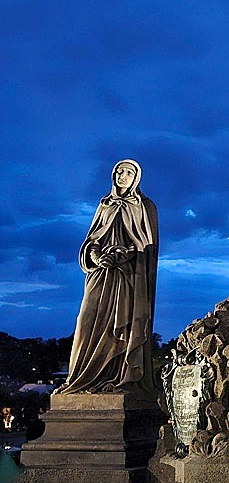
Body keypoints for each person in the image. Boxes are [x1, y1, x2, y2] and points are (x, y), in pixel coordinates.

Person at [58, 160, 159, 396]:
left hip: (128, 278)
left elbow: (148, 248)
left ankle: (118, 377)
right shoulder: (104, 205)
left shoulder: (145, 206)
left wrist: (123, 255)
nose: (122, 176)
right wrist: (94, 255)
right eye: (119, 172)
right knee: (86, 322)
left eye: (128, 172)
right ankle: (79, 379)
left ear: (137, 178)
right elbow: (92, 239)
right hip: (100, 275)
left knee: (122, 325)